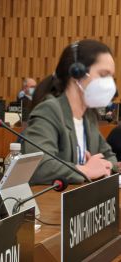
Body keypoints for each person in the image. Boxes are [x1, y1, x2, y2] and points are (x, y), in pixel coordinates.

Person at [22, 39, 117, 184]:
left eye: (111, 76)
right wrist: (85, 170)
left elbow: (109, 156)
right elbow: (38, 166)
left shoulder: (89, 116)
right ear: (77, 73)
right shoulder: (49, 110)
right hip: (51, 204)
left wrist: (106, 166)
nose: (110, 83)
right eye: (104, 74)